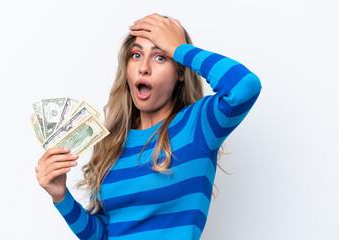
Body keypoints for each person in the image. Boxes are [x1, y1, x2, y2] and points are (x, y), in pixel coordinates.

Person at [35, 13, 262, 240]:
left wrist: (178, 48)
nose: (144, 67)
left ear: (180, 72)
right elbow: (103, 235)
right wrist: (61, 196)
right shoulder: (112, 144)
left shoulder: (197, 126)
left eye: (160, 57)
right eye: (136, 55)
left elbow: (244, 86)